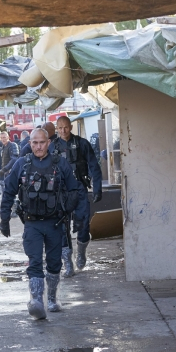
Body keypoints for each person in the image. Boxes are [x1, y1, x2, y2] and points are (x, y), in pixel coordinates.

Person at [0, 129, 84, 319]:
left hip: (55, 224)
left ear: (49, 143)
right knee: (35, 262)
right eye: (34, 142)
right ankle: (37, 301)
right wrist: (4, 218)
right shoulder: (22, 164)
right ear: (30, 143)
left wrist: (76, 216)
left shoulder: (60, 163)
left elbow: (74, 191)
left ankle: (52, 298)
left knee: (54, 264)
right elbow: (9, 192)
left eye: (42, 142)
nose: (38, 146)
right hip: (32, 224)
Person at [54, 116, 102, 277]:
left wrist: (97, 188)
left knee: (83, 225)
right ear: (56, 128)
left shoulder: (82, 144)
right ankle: (68, 264)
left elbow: (94, 166)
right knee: (62, 228)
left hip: (80, 189)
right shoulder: (52, 146)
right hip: (61, 192)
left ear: (71, 127)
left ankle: (81, 251)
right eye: (60, 128)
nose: (63, 131)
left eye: (66, 127)